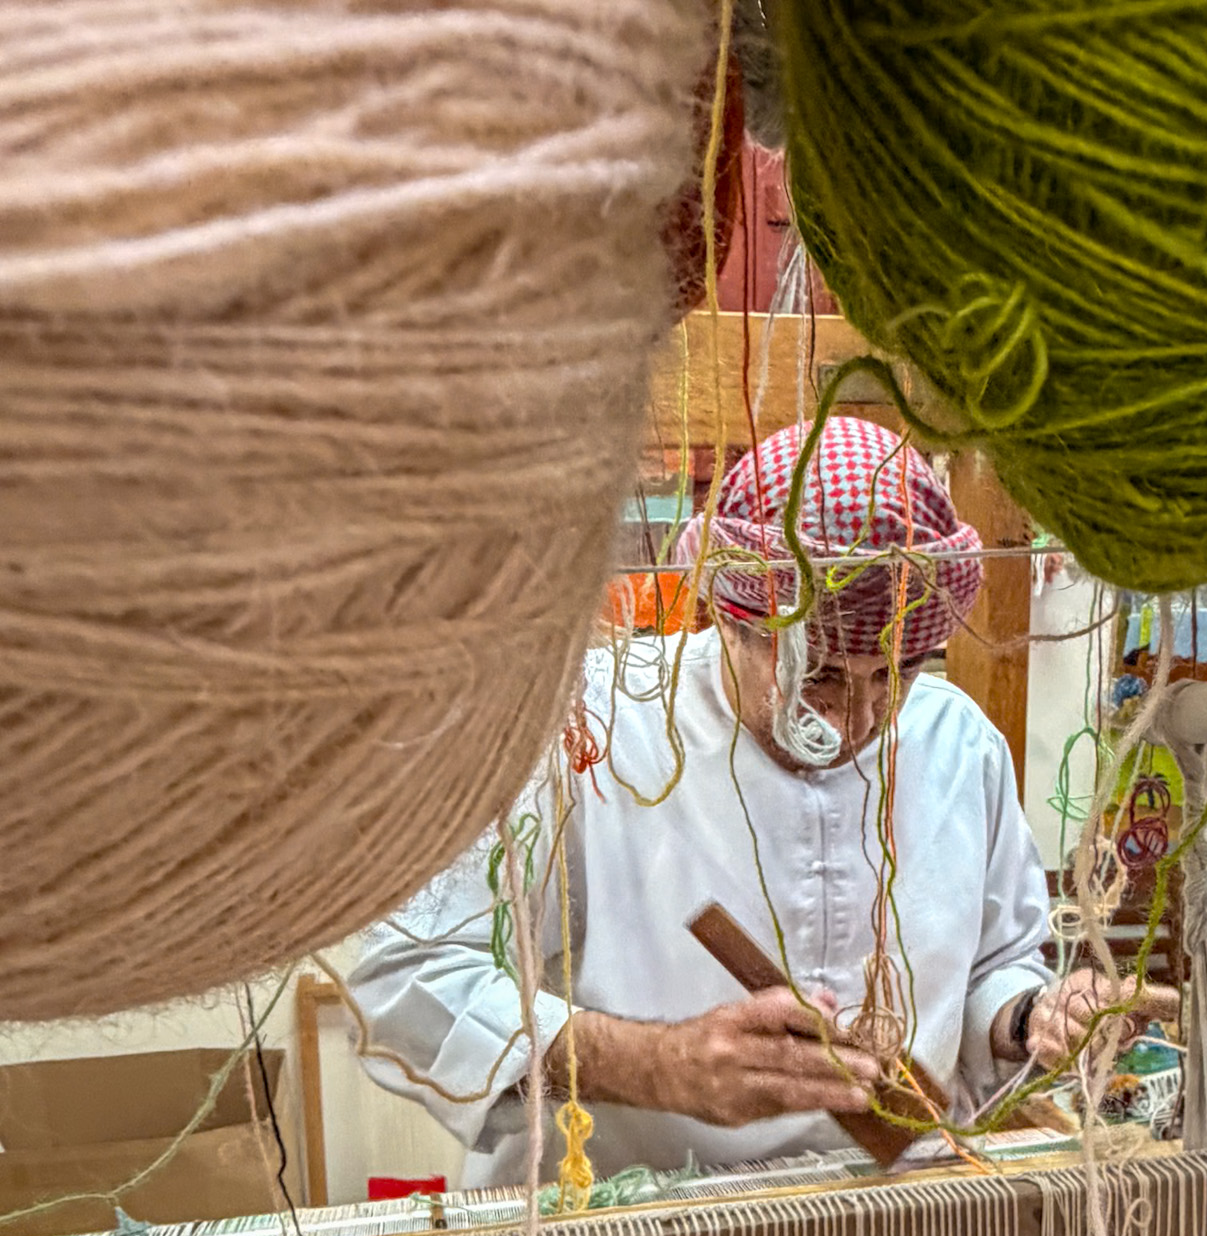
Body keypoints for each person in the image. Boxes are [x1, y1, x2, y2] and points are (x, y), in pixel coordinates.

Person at [349, 419, 1141, 1185]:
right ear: (729, 623)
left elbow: (993, 969)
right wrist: (659, 1066)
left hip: (887, 1231)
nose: (857, 721)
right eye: (822, 675)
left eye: (891, 676)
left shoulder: (959, 744)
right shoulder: (583, 726)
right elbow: (407, 976)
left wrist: (1031, 1013)